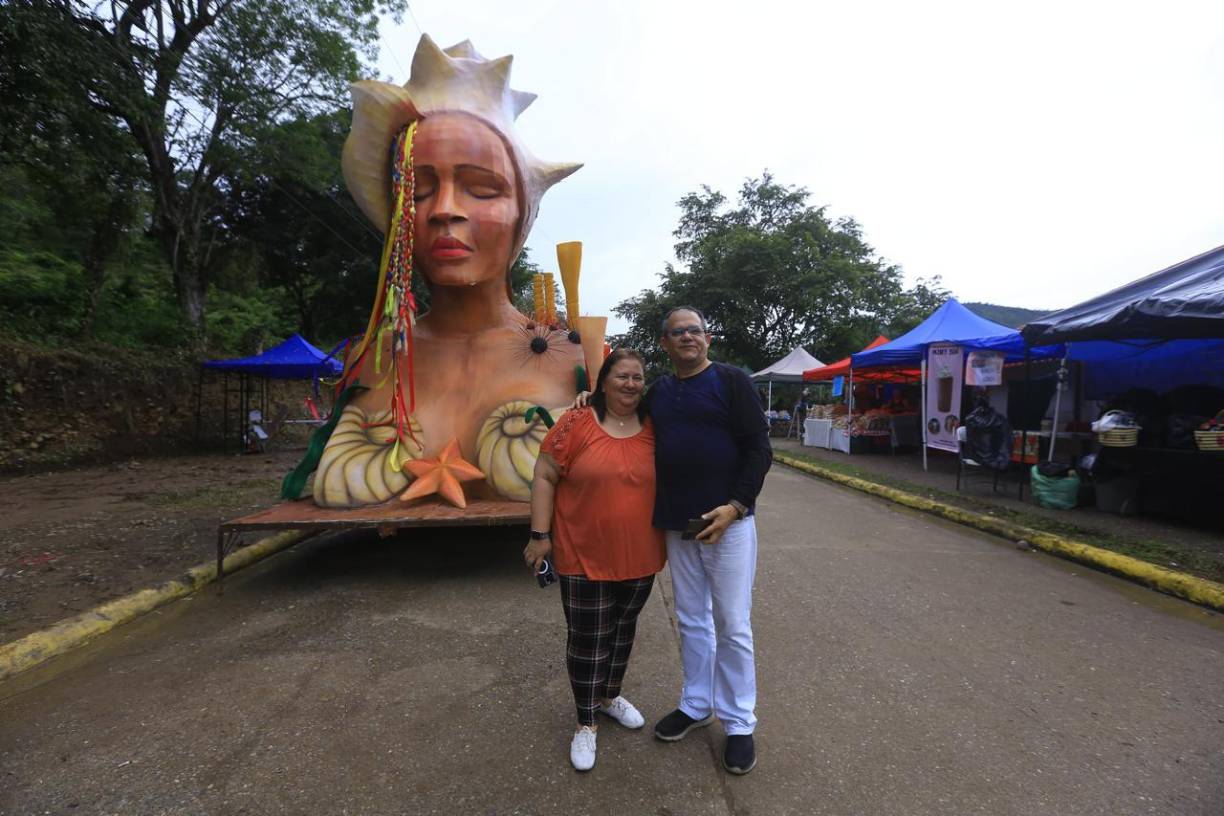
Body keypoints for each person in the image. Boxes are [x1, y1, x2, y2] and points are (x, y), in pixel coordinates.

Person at [311, 35, 584, 507]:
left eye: (482, 189)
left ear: (524, 211)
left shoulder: (579, 359)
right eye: (418, 192)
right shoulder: (372, 361)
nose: (445, 211)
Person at [523, 349, 666, 772]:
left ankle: (608, 697)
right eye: (621, 376)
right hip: (582, 552)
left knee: (623, 632)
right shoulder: (576, 421)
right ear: (602, 382)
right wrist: (539, 535)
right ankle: (586, 722)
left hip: (641, 554)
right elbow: (545, 475)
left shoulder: (657, 424)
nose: (630, 384)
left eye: (637, 377)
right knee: (588, 640)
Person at [646, 306, 772, 775]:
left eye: (694, 331)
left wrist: (736, 505)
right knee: (692, 618)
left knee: (733, 623)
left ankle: (739, 722)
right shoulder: (658, 391)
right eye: (678, 332)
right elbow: (616, 413)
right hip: (681, 522)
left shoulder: (732, 381)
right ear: (665, 343)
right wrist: (585, 398)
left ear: (708, 338)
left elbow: (760, 449)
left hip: (728, 521)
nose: (687, 338)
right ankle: (697, 704)